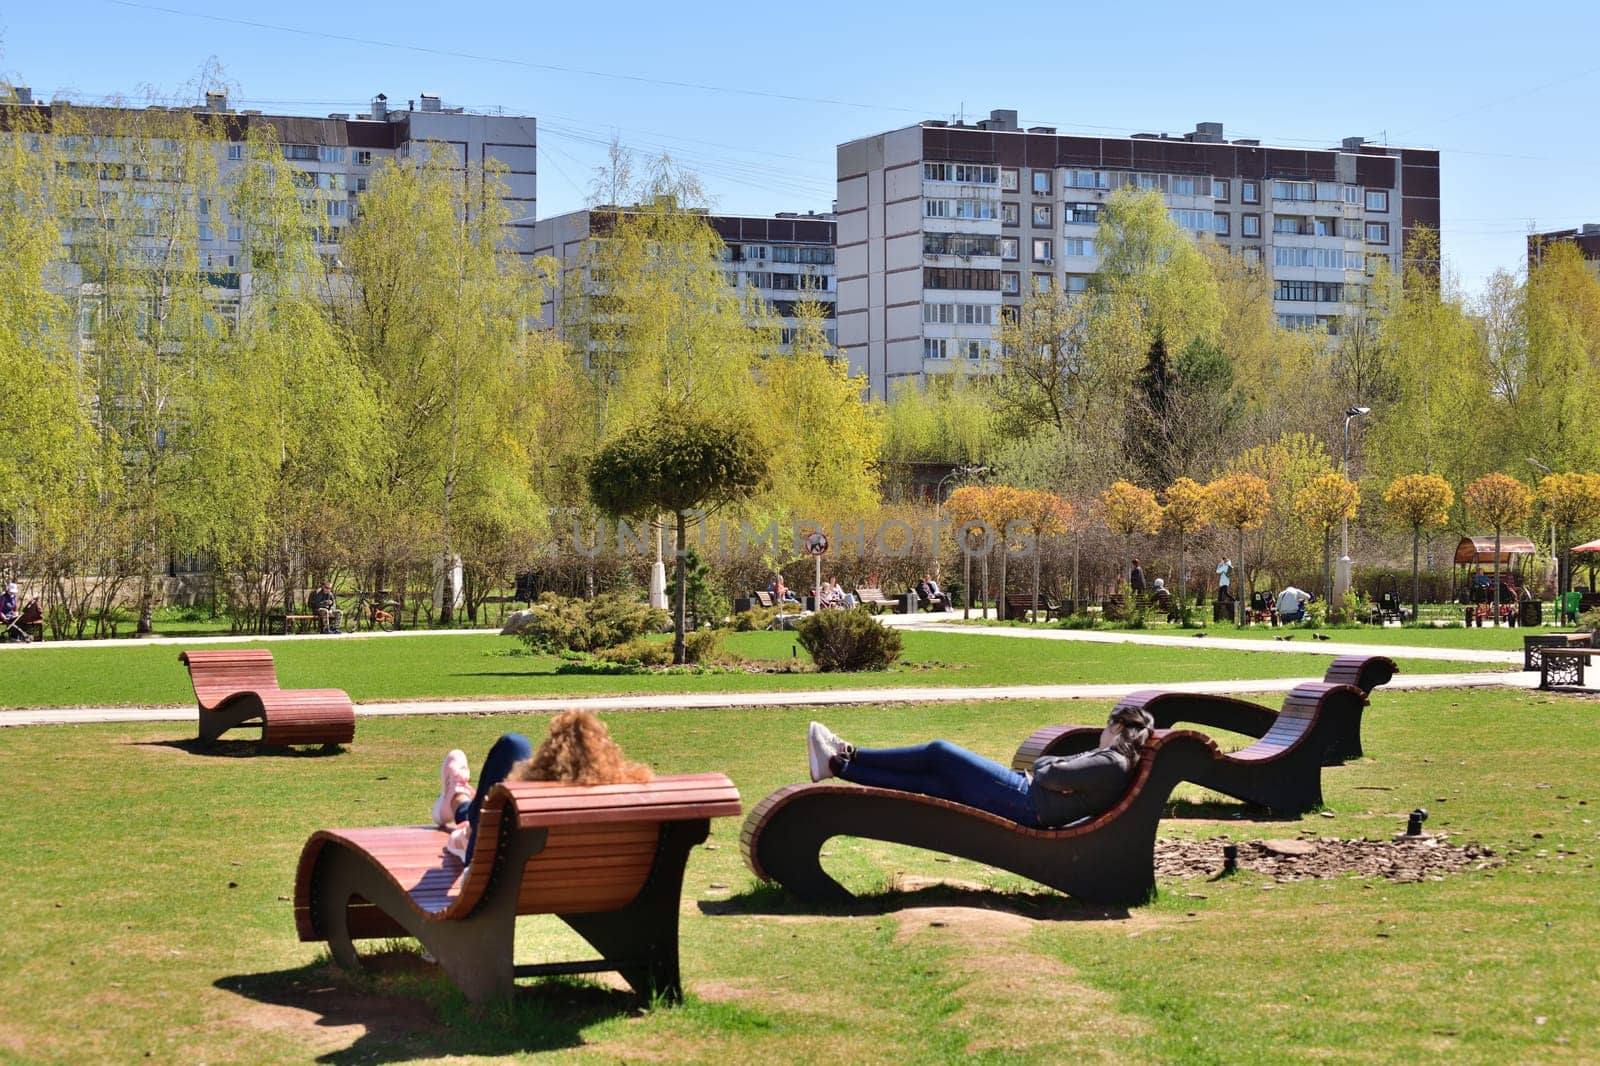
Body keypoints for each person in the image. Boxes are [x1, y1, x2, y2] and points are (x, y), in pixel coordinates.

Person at [805, 705, 1156, 828]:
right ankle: (838, 766)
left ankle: (854, 754)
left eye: (1109, 724)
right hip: (1026, 797)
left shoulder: (1112, 762)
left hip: (1024, 799)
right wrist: (1050, 769)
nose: (1103, 730)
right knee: (931, 782)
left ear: (1121, 729)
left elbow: (1048, 771)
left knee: (939, 752)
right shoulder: (1115, 761)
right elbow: (1054, 774)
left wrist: (1048, 765)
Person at [433, 709, 653, 864]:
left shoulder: (532, 799)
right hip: (605, 889)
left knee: (514, 746)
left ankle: (459, 804)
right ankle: (460, 807)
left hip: (498, 880)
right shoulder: (625, 797)